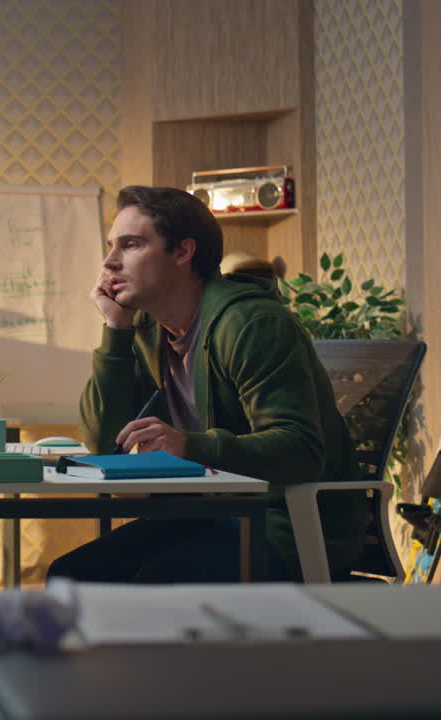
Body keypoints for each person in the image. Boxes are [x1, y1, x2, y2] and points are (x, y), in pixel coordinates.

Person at [46, 186, 367, 583]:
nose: (109, 262)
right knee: (71, 577)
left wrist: (190, 446)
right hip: (206, 513)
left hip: (285, 524)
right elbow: (106, 441)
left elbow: (300, 450)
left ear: (182, 252)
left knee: (154, 586)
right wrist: (116, 330)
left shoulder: (252, 325)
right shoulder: (147, 329)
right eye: (111, 246)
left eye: (130, 245)